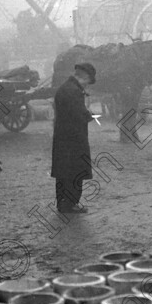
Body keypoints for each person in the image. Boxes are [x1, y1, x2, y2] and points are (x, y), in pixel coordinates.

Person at [51, 63, 96, 213]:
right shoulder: (74, 91)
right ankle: (70, 204)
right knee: (75, 171)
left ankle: (63, 203)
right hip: (74, 138)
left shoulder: (66, 87)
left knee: (63, 172)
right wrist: (91, 115)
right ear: (84, 77)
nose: (87, 85)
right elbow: (79, 114)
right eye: (87, 82)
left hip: (63, 137)